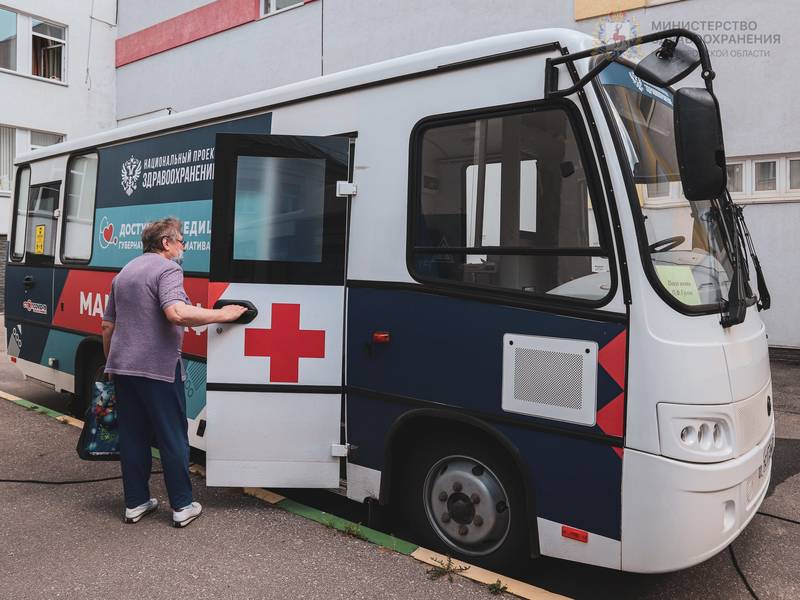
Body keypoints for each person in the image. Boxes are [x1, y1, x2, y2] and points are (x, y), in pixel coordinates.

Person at [100, 217, 246, 527]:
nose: (183, 246)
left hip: (123, 368)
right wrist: (224, 314)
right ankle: (181, 505)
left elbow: (107, 326)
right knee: (172, 436)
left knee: (133, 436)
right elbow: (177, 313)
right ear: (166, 244)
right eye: (180, 241)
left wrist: (111, 364)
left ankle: (135, 503)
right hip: (158, 370)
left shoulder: (125, 272)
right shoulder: (168, 269)